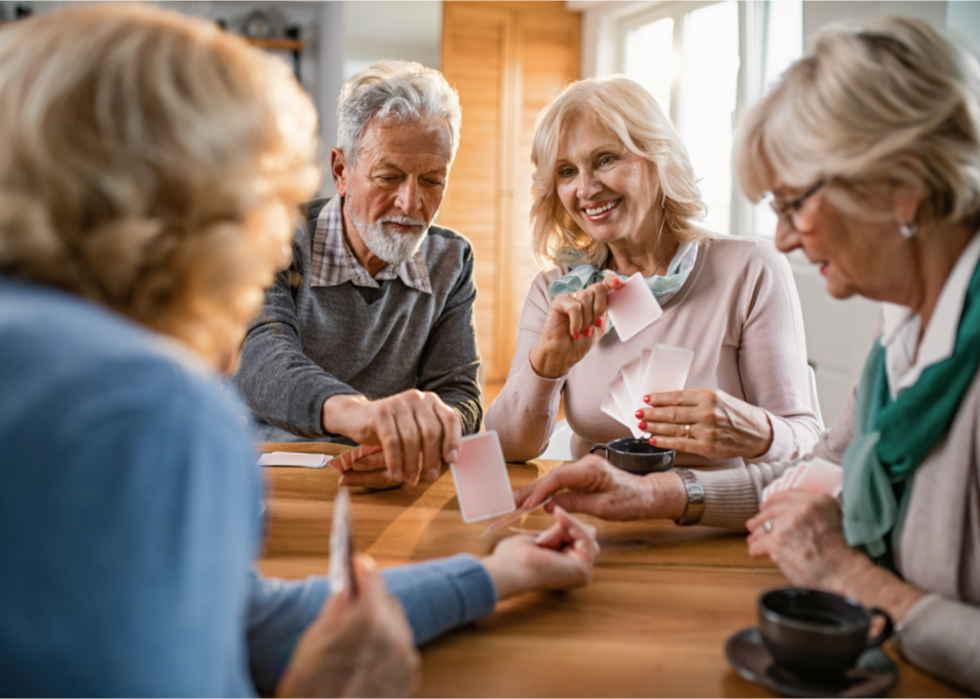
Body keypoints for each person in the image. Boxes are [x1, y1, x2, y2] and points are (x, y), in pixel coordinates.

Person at [0, 6, 599, 696]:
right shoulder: (154, 407)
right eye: (257, 200)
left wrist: (496, 573)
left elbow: (233, 620)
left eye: (432, 179)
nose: (262, 242)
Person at [516, 17, 980, 693]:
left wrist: (855, 578)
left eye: (794, 202)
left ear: (902, 184)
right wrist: (651, 494)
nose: (785, 238)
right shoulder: (901, 339)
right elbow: (815, 474)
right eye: (566, 170)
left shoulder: (756, 272)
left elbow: (801, 454)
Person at [485, 76, 821, 468]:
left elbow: (806, 442)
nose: (586, 188)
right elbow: (505, 449)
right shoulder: (556, 291)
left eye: (605, 159)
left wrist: (753, 429)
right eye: (565, 172)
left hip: (713, 519)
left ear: (657, 157)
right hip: (593, 517)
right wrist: (546, 365)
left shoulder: (749, 269)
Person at [233, 60, 481, 489]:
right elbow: (261, 356)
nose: (410, 202)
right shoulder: (276, 236)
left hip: (386, 477)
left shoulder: (451, 260)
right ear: (341, 172)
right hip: (269, 470)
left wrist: (422, 440)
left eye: (432, 180)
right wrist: (363, 415)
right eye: (389, 177)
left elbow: (460, 395)